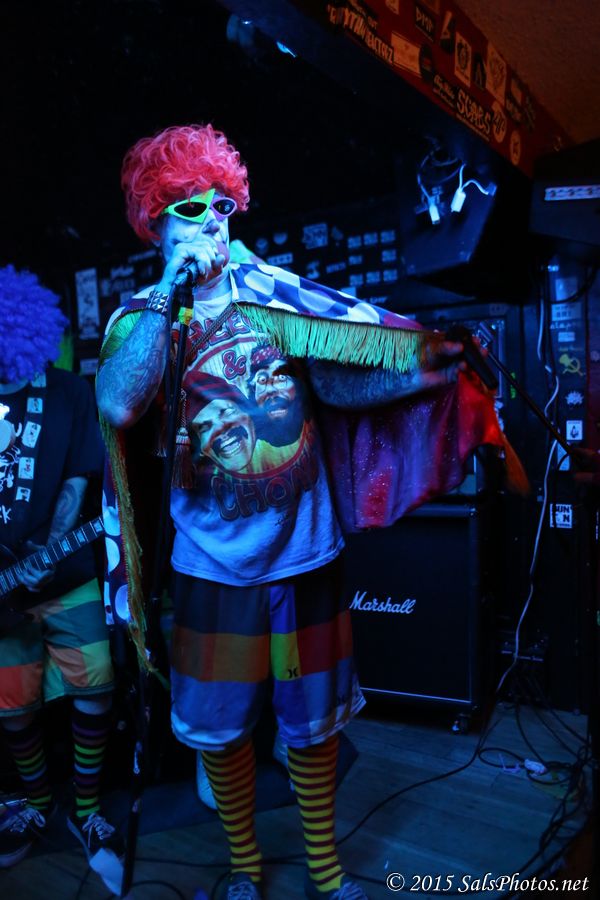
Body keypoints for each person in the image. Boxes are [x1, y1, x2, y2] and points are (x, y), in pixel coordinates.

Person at [96, 124, 518, 899]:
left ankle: (325, 869)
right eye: (188, 206)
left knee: (314, 724)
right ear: (155, 220)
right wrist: (166, 289)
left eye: (221, 204)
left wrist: (428, 365)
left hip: (305, 559)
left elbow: (344, 385)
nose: (210, 219)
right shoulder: (143, 321)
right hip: (211, 570)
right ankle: (244, 868)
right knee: (221, 732)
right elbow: (121, 403)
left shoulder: (279, 301)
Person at [0, 265, 124, 868]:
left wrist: (44, 555)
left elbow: (77, 481)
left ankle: (87, 808)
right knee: (12, 705)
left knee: (95, 688)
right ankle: (35, 802)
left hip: (67, 572)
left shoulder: (70, 392)